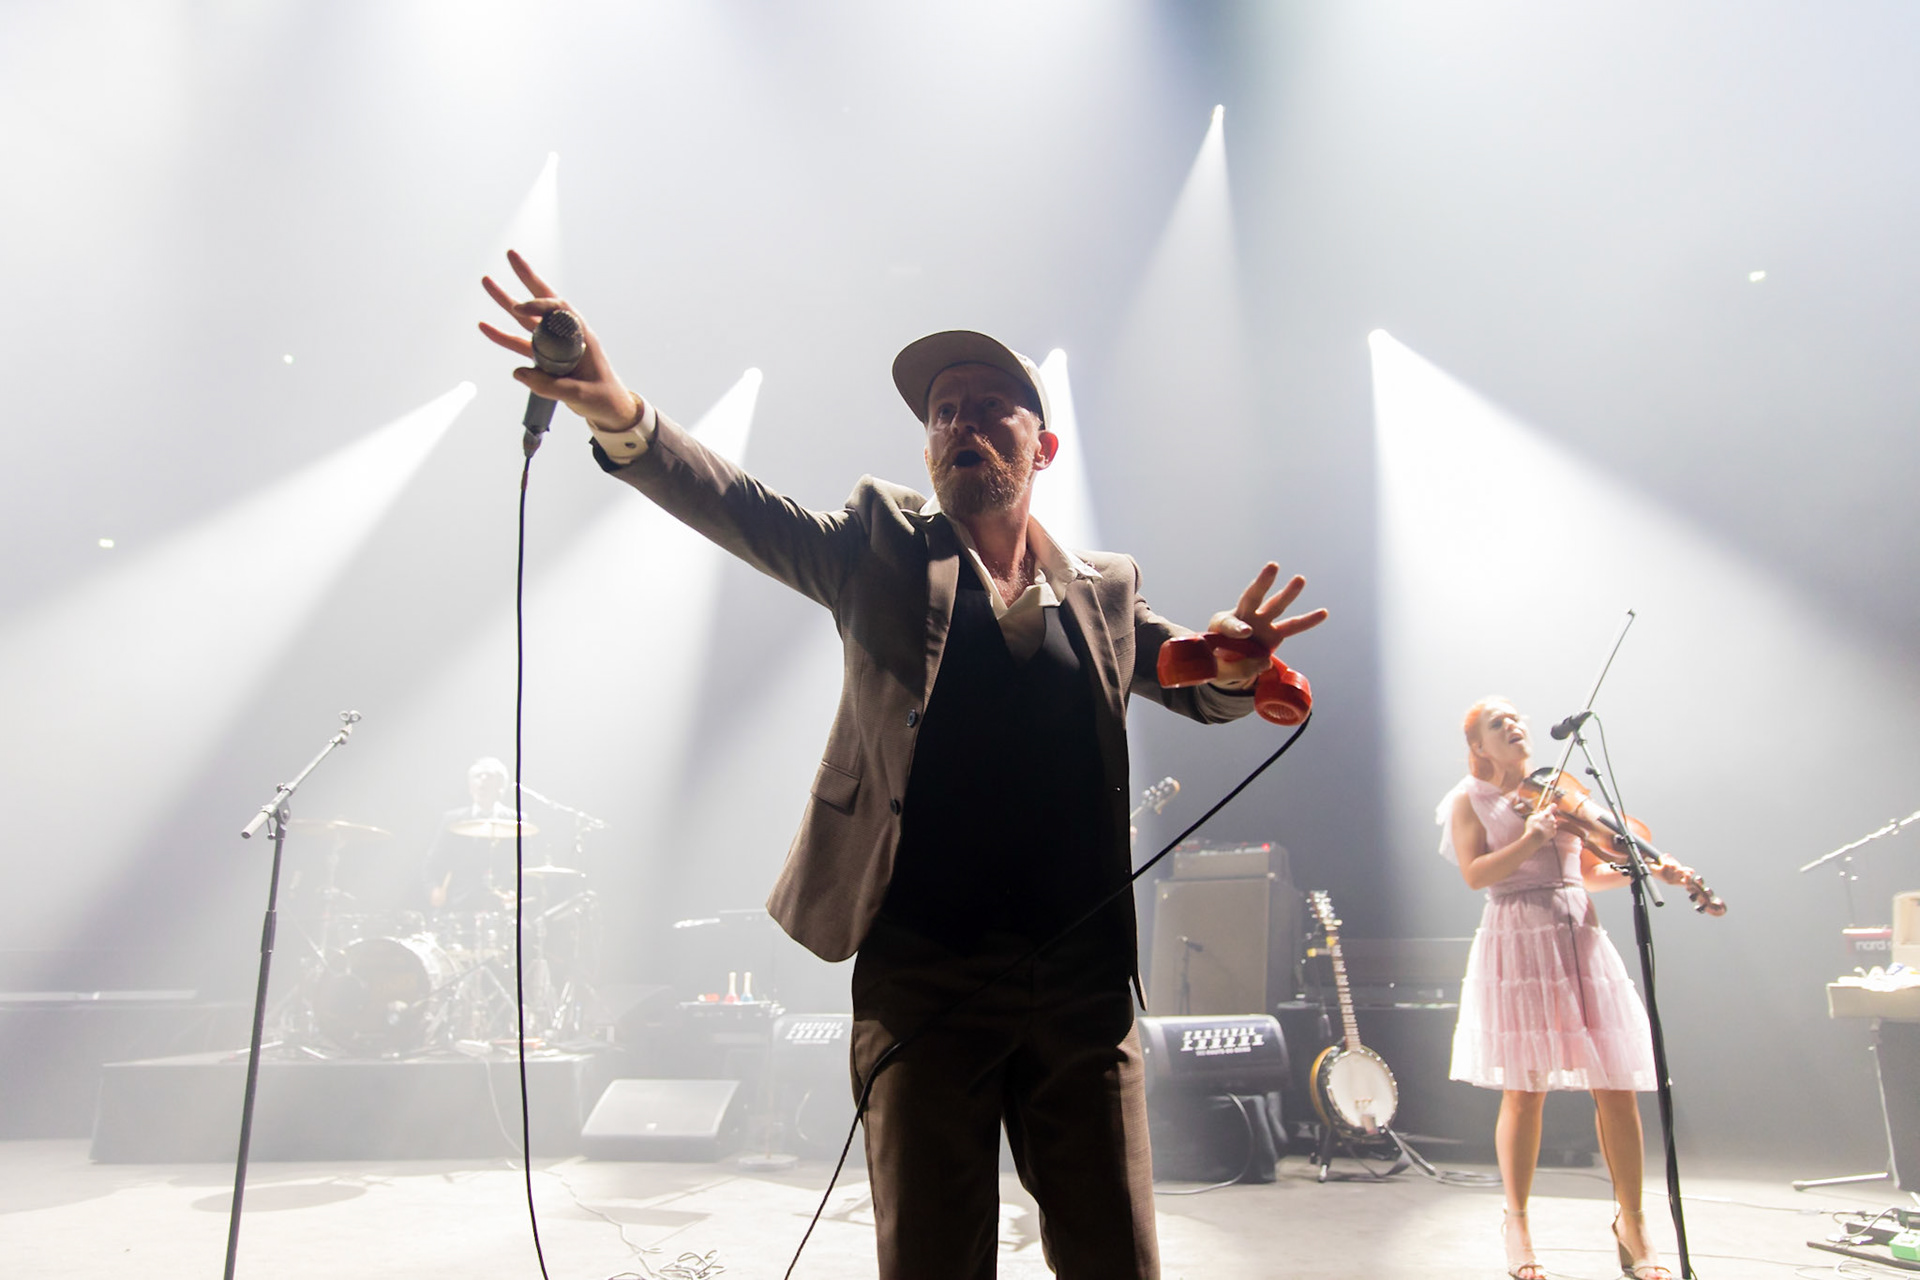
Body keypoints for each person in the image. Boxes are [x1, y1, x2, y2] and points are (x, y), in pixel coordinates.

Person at [480, 250, 1327, 1280]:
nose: (959, 426)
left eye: (988, 409)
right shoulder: (878, 544)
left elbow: (1195, 677)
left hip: (1082, 983)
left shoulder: (1103, 585)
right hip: (925, 972)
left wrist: (1239, 665)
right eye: (942, 412)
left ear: (1043, 444)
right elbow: (743, 506)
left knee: (1118, 1259)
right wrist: (621, 416)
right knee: (932, 1258)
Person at [1439, 697, 1699, 1280]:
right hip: (1517, 936)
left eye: (1516, 719)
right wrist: (1530, 839)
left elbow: (1587, 872)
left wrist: (1645, 867)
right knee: (1524, 1089)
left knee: (1614, 1084)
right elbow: (1476, 874)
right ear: (1478, 746)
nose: (1514, 726)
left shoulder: (1557, 790)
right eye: (1496, 724)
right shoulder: (1469, 799)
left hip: (1578, 933)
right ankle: (1518, 1223)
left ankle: (1632, 1223)